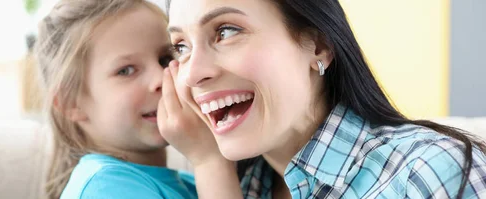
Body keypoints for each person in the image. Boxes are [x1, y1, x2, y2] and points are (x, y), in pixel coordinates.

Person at [157, 0, 486, 198]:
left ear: (318, 46)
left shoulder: (429, 171)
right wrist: (210, 166)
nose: (191, 74)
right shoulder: (229, 186)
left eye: (227, 31)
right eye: (181, 47)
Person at [34, 0, 196, 198]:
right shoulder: (104, 188)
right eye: (126, 70)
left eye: (165, 59)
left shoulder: (189, 183)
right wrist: (209, 161)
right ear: (71, 103)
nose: (161, 77)